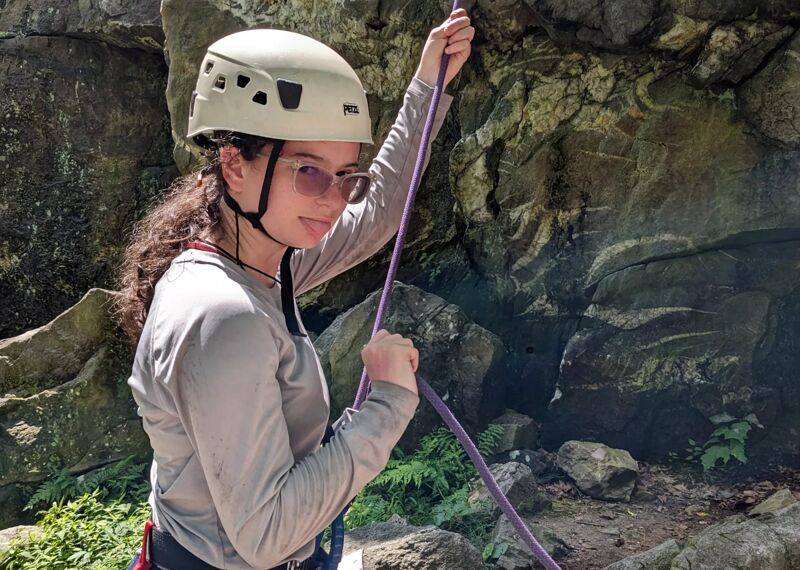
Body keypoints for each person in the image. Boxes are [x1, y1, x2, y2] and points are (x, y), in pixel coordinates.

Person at [118, 9, 474, 570]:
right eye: (308, 171)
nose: (334, 199)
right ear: (234, 165)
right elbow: (267, 535)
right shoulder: (222, 315)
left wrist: (429, 83)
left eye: (346, 174)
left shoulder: (262, 263)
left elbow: (378, 213)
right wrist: (388, 403)